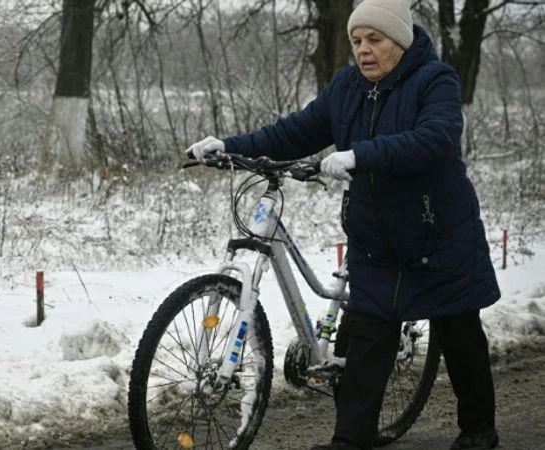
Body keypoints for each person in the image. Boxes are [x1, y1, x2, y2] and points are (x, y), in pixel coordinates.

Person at [184, 0, 501, 449]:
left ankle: (479, 430)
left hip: (439, 233)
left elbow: (436, 139)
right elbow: (294, 132)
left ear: (401, 41)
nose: (364, 50)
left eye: (375, 39)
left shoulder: (435, 81)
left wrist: (360, 155)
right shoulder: (347, 87)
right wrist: (229, 145)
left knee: (458, 331)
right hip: (374, 238)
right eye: (356, 41)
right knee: (369, 338)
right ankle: (350, 441)